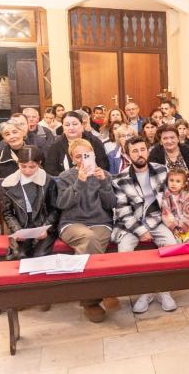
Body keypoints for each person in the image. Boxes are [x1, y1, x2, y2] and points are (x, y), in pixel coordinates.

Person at [111, 136, 179, 313]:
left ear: (148, 151)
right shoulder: (120, 178)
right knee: (124, 253)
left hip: (157, 220)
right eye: (135, 151)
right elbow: (122, 211)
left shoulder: (162, 170)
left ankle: (164, 291)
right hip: (131, 224)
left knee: (172, 247)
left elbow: (179, 191)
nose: (140, 154)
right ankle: (145, 292)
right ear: (128, 155)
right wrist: (140, 231)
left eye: (142, 149)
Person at [57, 138, 119, 322]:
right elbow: (62, 204)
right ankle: (106, 291)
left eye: (87, 155)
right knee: (89, 238)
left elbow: (111, 204)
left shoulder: (104, 175)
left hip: (100, 222)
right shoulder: (65, 176)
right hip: (72, 223)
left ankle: (89, 302)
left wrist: (104, 183)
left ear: (93, 154)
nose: (83, 159)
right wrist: (79, 182)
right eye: (78, 156)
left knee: (90, 242)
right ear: (73, 159)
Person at [0, 146, 59, 261]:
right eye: (23, 166)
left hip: (44, 225)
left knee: (39, 255)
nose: (27, 170)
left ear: (39, 163)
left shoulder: (48, 181)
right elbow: (7, 213)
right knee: (19, 255)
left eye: (32, 167)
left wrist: (45, 229)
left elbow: (55, 209)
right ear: (18, 163)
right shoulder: (9, 183)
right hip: (21, 226)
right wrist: (17, 230)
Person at [0, 120, 27, 224]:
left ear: (23, 132)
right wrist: (9, 193)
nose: (12, 136)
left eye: (15, 132)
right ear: (4, 138)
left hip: (32, 200)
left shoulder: (34, 152)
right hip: (7, 202)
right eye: (7, 134)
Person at [45, 111, 109, 176]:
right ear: (63, 127)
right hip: (65, 181)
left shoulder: (94, 142)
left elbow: (103, 167)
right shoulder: (56, 145)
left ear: (82, 125)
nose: (71, 128)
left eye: (75, 124)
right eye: (67, 125)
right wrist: (69, 178)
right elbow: (51, 171)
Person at [161, 168, 189, 242]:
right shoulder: (165, 197)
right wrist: (174, 228)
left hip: (187, 222)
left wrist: (183, 227)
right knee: (177, 239)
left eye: (178, 181)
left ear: (183, 185)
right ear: (167, 182)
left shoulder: (187, 195)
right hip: (172, 224)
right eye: (171, 180)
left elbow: (188, 212)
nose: (174, 184)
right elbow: (166, 214)